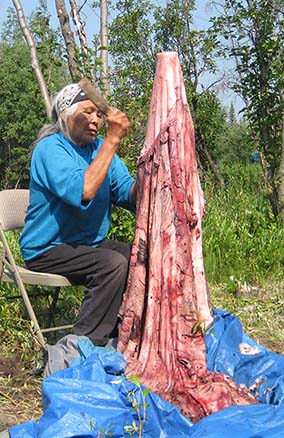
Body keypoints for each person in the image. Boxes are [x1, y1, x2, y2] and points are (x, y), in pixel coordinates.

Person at [20, 83, 137, 347]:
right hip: (48, 248)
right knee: (112, 263)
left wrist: (151, 173)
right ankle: (83, 344)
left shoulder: (98, 150)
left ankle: (124, 329)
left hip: (86, 244)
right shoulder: (50, 149)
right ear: (65, 115)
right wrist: (113, 139)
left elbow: (126, 192)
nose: (95, 120)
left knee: (140, 257)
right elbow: (85, 189)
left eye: (98, 114)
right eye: (87, 112)